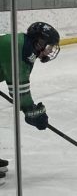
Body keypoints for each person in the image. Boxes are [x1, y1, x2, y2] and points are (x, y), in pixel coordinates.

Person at [0, 22, 60, 183]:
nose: (49, 50)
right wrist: (33, 113)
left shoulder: (25, 46)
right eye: (48, 46)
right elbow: (20, 93)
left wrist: (31, 111)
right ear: (39, 42)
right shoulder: (20, 49)